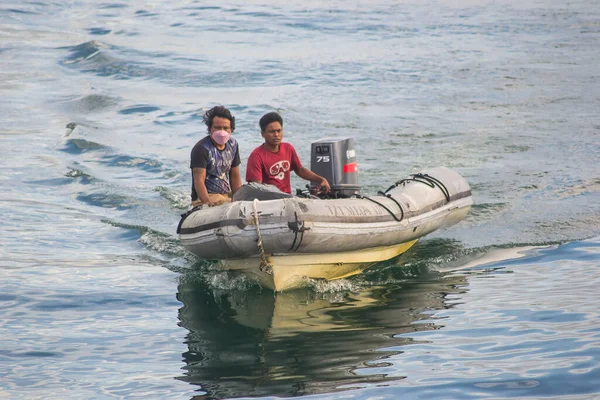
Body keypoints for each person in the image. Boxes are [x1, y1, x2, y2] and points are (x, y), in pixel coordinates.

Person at [246, 112, 330, 194]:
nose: (276, 135)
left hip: (287, 197)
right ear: (263, 134)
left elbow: (300, 170)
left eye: (279, 131)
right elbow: (256, 188)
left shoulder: (288, 148)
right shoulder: (256, 156)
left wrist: (321, 179)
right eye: (271, 132)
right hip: (268, 200)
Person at [190, 105, 242, 207]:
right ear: (210, 129)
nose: (222, 132)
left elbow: (234, 176)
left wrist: (239, 198)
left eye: (226, 128)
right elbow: (199, 181)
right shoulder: (202, 149)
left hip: (225, 194)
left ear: (231, 129)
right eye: (217, 128)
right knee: (224, 201)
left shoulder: (233, 144)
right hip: (207, 196)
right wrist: (207, 203)